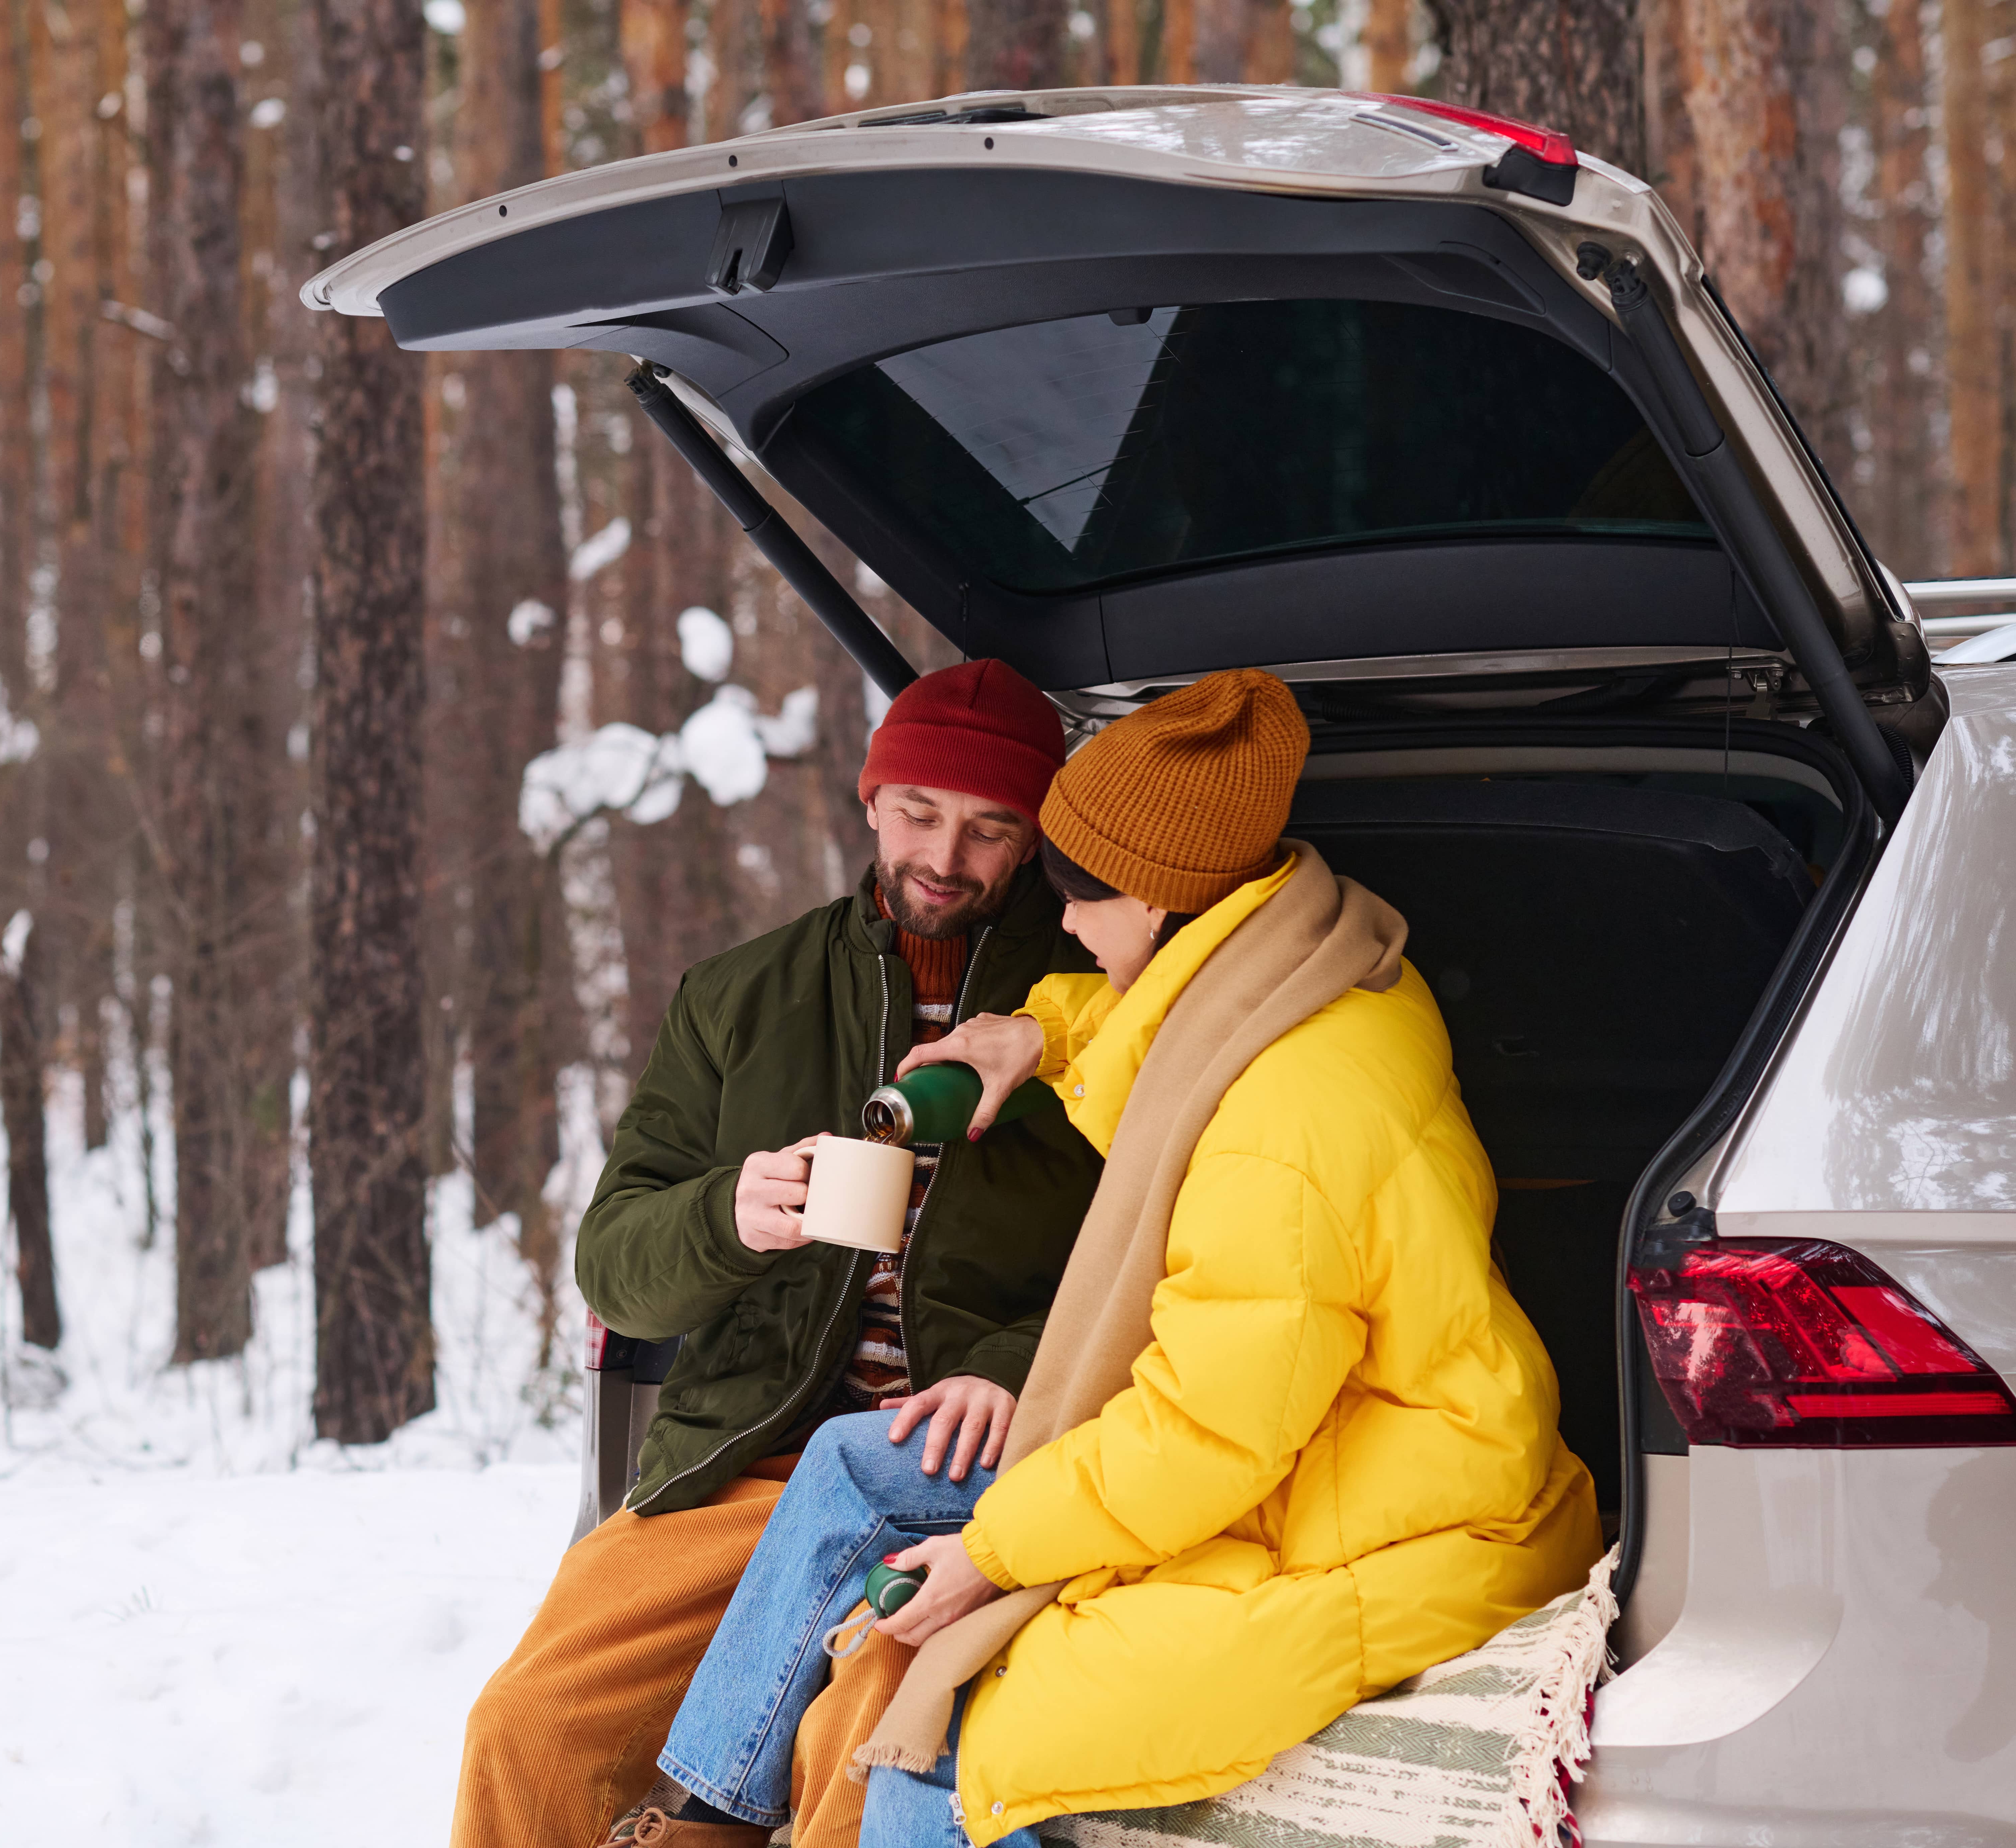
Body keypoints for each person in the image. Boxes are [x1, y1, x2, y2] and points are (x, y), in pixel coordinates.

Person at [638, 669, 1600, 1848]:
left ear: (1154, 902)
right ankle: (710, 1815)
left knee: (955, 1752)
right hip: (1307, 1446)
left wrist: (988, 1554)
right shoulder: (1315, 964)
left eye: (1078, 898)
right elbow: (1171, 1020)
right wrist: (1041, 1033)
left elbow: (1207, 1438)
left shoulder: (1284, 1122)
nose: (1070, 930)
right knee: (852, 1463)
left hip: (1368, 1519)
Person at [451, 659, 1109, 1848]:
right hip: (750, 1460)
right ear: (869, 801)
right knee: (526, 1728)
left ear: (1034, 842)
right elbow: (614, 1264)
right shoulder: (737, 997)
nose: (944, 857)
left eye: (988, 828)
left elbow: (1157, 1251)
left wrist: (1015, 1365)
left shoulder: (1089, 1013)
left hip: (959, 1477)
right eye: (917, 813)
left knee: (853, 1750)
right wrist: (728, 1215)